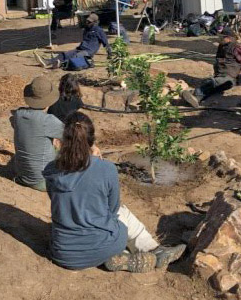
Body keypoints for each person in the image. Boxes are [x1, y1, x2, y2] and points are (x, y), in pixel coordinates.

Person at [43, 112, 186, 273]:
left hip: (63, 254)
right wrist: (96, 160)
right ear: (92, 141)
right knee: (121, 212)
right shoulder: (106, 168)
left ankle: (121, 255)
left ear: (64, 140)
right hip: (103, 245)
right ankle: (152, 249)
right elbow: (113, 208)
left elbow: (56, 199)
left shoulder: (51, 170)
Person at [179, 28, 241, 108]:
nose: (219, 39)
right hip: (219, 76)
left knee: (212, 83)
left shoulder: (236, 48)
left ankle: (195, 96)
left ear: (228, 38)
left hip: (229, 79)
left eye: (222, 37)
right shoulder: (222, 46)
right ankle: (195, 97)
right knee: (210, 85)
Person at [11, 76, 64, 191]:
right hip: (43, 181)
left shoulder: (18, 115)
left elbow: (16, 124)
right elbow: (73, 137)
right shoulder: (48, 120)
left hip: (21, 175)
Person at [37, 13, 109, 70]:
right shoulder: (86, 29)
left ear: (95, 22)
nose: (87, 22)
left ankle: (60, 64)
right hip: (80, 49)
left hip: (88, 52)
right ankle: (47, 62)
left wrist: (110, 53)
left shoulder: (99, 31)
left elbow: (105, 43)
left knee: (74, 58)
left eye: (89, 22)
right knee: (65, 54)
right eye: (87, 21)